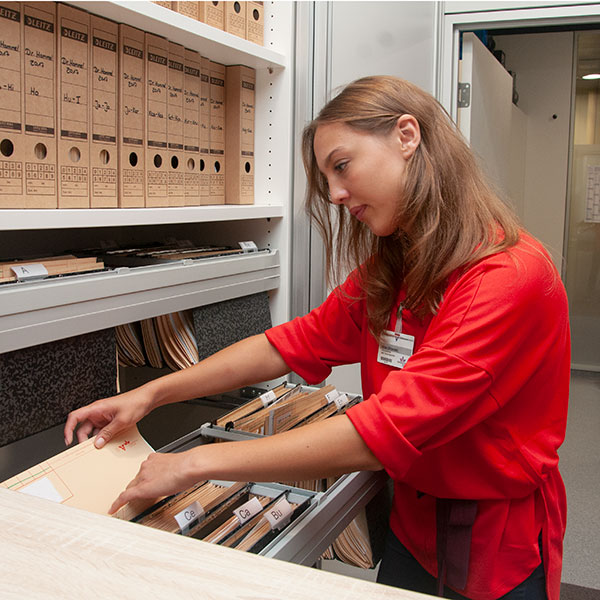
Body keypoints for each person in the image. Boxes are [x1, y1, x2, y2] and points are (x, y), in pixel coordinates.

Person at [64, 76, 569, 600]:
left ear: (406, 135)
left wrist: (194, 464)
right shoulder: (395, 268)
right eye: (327, 177)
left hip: (494, 542)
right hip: (412, 523)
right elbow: (289, 344)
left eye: (342, 165)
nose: (334, 194)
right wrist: (151, 393)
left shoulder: (509, 277)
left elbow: (378, 432)